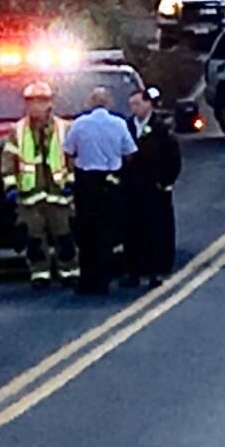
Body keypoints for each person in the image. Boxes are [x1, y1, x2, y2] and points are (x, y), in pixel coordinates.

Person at [1, 81, 80, 288]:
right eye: (32, 102)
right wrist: (10, 186)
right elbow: (8, 161)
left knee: (64, 236)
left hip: (59, 194)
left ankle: (69, 271)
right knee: (34, 239)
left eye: (41, 101)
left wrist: (72, 182)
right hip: (30, 196)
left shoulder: (65, 128)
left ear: (50, 103)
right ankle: (40, 274)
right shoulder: (17, 131)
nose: (36, 106)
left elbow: (72, 158)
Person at [63, 86, 137, 294]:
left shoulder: (79, 124)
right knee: (107, 232)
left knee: (87, 232)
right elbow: (130, 153)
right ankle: (104, 278)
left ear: (89, 103)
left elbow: (68, 152)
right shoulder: (119, 123)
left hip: (87, 182)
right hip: (111, 182)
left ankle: (88, 280)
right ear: (109, 103)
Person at [122, 87, 182, 288]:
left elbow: (173, 157)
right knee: (132, 232)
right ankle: (133, 272)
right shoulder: (126, 127)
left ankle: (155, 272)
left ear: (148, 104)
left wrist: (165, 183)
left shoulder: (161, 128)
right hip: (131, 189)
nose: (134, 108)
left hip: (153, 189)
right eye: (132, 105)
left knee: (155, 231)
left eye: (138, 104)